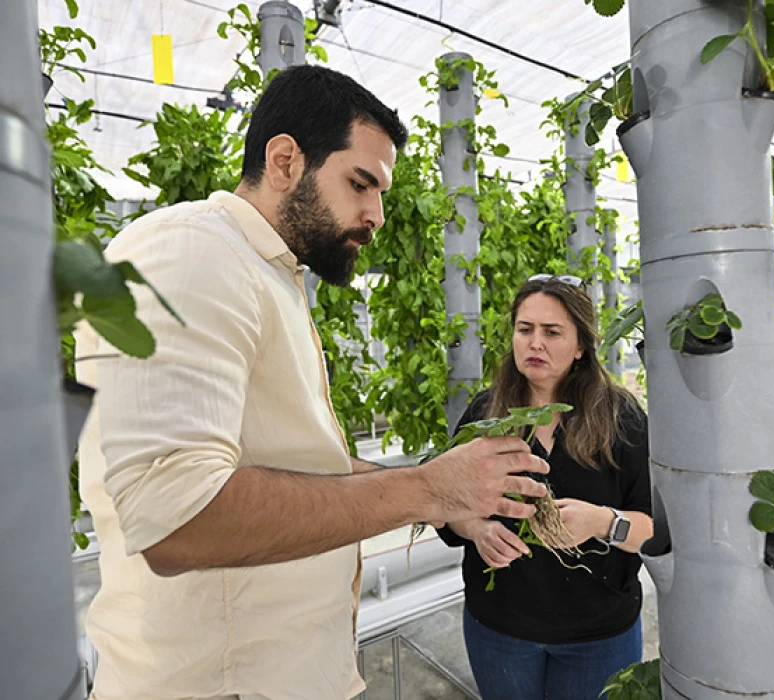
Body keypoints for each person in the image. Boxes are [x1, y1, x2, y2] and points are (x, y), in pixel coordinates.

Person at [74, 65, 549, 700]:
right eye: (361, 183)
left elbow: (300, 463)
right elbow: (176, 519)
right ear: (285, 159)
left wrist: (450, 498)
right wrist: (427, 490)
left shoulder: (267, 272)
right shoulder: (188, 252)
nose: (376, 214)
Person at [438, 274, 653, 700]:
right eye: (525, 329)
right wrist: (476, 529)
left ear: (580, 347)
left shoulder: (620, 417)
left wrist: (602, 522)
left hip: (598, 635)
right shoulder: (487, 413)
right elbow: (446, 504)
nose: (535, 343)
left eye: (552, 332)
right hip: (499, 629)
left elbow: (656, 529)